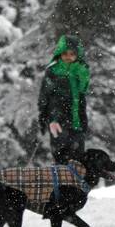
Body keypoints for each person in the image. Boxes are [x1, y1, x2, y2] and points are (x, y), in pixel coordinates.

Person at [38, 35, 90, 163]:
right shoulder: (53, 71)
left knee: (78, 157)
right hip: (58, 119)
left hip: (77, 119)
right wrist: (48, 117)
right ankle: (61, 177)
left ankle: (75, 180)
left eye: (72, 54)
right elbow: (46, 96)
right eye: (65, 53)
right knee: (61, 154)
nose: (68, 56)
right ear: (59, 53)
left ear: (77, 55)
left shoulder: (81, 70)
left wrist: (83, 120)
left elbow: (82, 94)